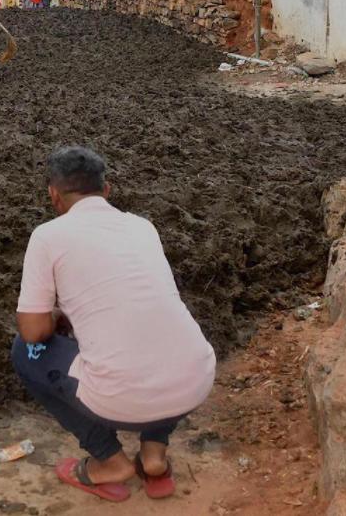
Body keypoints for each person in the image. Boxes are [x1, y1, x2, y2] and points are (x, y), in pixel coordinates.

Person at [12, 147, 215, 503]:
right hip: (194, 380)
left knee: (25, 351)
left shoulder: (47, 236)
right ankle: (154, 456)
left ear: (54, 195)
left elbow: (32, 331)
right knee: (156, 334)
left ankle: (109, 460)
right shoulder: (143, 226)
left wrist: (60, 317)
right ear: (107, 190)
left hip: (120, 399)